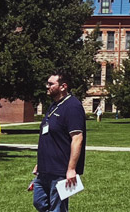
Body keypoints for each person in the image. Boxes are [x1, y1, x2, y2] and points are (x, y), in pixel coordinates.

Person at [32, 73, 86, 212]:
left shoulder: (72, 106)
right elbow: (49, 136)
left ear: (63, 87)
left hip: (60, 169)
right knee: (39, 202)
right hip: (44, 168)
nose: (47, 86)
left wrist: (71, 169)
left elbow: (77, 138)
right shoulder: (54, 106)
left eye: (51, 84)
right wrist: (39, 164)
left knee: (57, 208)